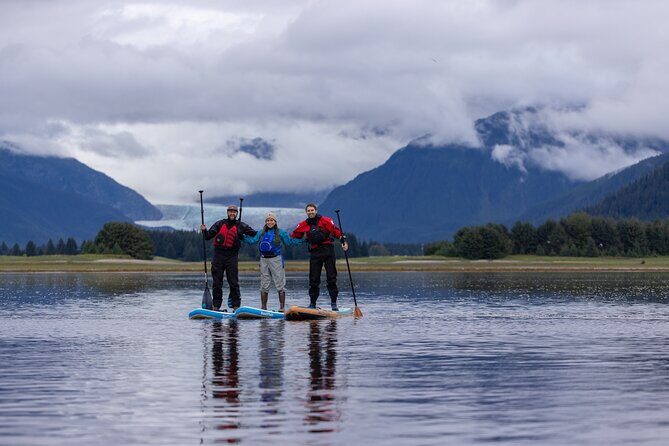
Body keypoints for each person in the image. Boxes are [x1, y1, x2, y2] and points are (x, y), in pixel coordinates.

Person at [291, 203, 348, 310]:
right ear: (306, 212)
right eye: (308, 211)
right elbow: (294, 235)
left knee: (331, 278)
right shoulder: (303, 224)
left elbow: (336, 231)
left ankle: (334, 304)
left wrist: (343, 240)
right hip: (315, 252)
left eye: (312, 210)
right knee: (313, 279)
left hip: (328, 251)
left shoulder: (325, 220)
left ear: (316, 211)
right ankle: (312, 304)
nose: (310, 212)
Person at [244, 212, 304, 312]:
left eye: (271, 220)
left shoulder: (281, 232)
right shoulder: (261, 232)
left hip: (276, 259)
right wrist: (242, 237)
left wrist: (303, 241)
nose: (269, 222)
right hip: (263, 259)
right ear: (265, 222)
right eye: (267, 220)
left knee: (280, 283)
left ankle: (281, 308)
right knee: (264, 284)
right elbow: (253, 241)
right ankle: (263, 307)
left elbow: (289, 242)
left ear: (275, 221)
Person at [201, 205, 257, 311]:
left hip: (232, 257)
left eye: (234, 212)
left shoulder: (241, 226)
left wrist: (264, 231)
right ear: (227, 213)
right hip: (218, 256)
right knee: (217, 283)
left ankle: (236, 307)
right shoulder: (220, 224)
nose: (232, 214)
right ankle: (216, 306)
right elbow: (208, 236)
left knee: (233, 283)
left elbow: (255, 234)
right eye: (230, 212)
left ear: (237, 213)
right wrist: (204, 230)